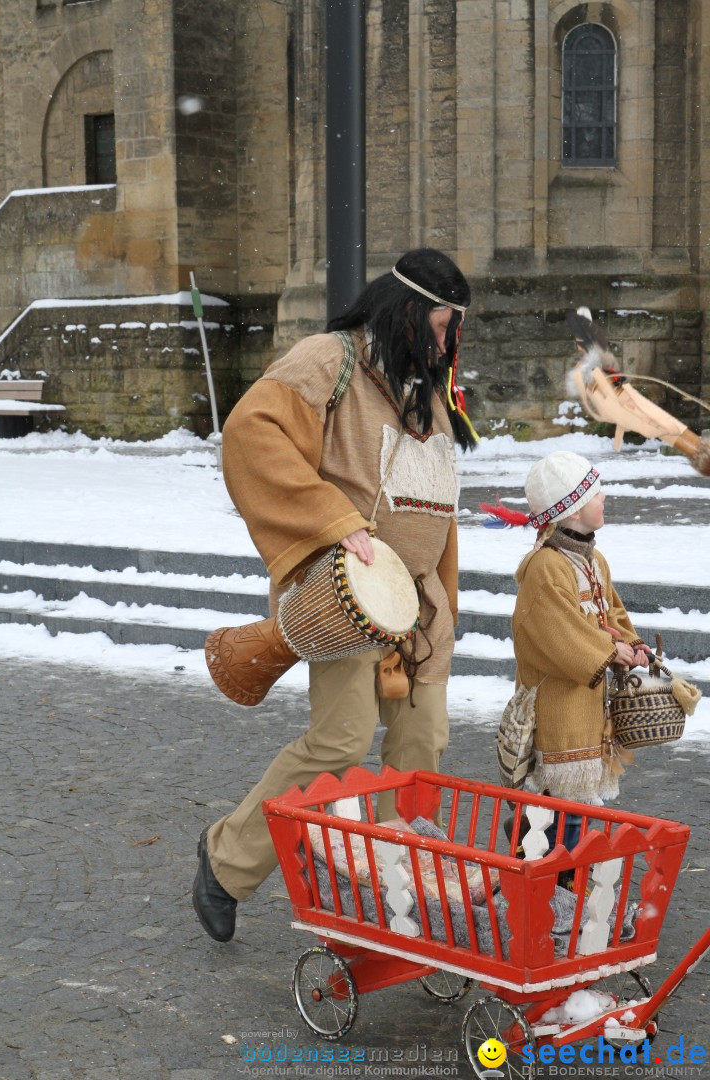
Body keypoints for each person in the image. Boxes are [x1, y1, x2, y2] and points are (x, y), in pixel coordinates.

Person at [193, 248, 475, 943]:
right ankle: (227, 860)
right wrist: (336, 522)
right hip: (345, 593)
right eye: (441, 326)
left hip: (419, 609)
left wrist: (440, 601)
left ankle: (398, 899)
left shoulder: (426, 391)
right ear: (409, 312)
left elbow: (435, 509)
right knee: (340, 741)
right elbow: (251, 435)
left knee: (423, 744)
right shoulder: (328, 360)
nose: (446, 343)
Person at [501, 451, 650, 854]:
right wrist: (609, 650)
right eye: (596, 493)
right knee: (551, 806)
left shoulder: (593, 559)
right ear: (572, 507)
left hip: (588, 707)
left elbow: (611, 610)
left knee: (579, 809)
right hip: (559, 709)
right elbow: (557, 633)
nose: (604, 499)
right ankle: (534, 877)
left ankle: (567, 880)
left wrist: (631, 642)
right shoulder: (546, 566)